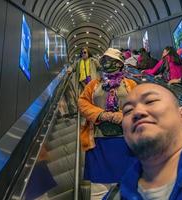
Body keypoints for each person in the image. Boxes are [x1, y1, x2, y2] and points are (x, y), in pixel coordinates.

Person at [78, 48, 137, 198]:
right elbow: (82, 101)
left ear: (120, 64)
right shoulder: (94, 84)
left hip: (126, 141)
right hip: (98, 141)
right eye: (104, 60)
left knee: (128, 183)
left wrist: (123, 115)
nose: (106, 63)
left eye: (111, 60)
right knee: (98, 187)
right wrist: (100, 114)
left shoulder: (130, 84)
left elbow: (140, 106)